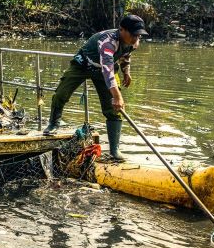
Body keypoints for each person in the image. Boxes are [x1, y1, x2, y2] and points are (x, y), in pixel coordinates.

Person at [42, 14, 148, 162]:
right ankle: (53, 123)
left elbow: (126, 55)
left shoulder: (134, 42)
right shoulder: (108, 42)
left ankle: (114, 150)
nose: (136, 38)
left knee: (113, 109)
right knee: (61, 93)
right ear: (122, 30)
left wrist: (126, 72)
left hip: (105, 69)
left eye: (138, 35)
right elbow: (108, 71)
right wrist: (117, 96)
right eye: (133, 34)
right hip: (84, 64)